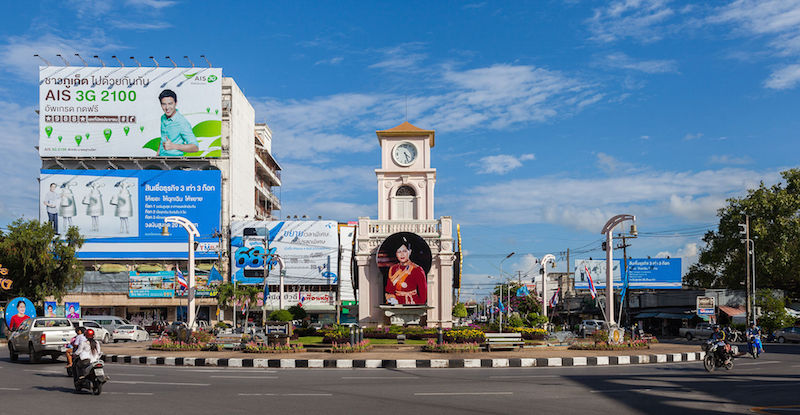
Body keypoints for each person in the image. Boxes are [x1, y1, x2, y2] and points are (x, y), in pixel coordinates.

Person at [384, 238, 427, 305]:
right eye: (399, 252)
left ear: (409, 252)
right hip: (396, 303)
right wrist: (392, 299)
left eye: (404, 251)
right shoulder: (393, 269)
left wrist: (419, 306)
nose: (402, 254)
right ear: (396, 254)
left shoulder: (417, 269)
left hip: (413, 302)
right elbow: (389, 290)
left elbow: (423, 294)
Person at [158, 89, 199, 156]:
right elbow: (163, 138)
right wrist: (157, 154)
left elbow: (195, 147)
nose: (167, 107)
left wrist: (174, 146)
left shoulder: (182, 122)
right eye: (164, 104)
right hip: (161, 158)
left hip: (175, 161)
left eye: (170, 104)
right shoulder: (163, 118)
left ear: (176, 103)